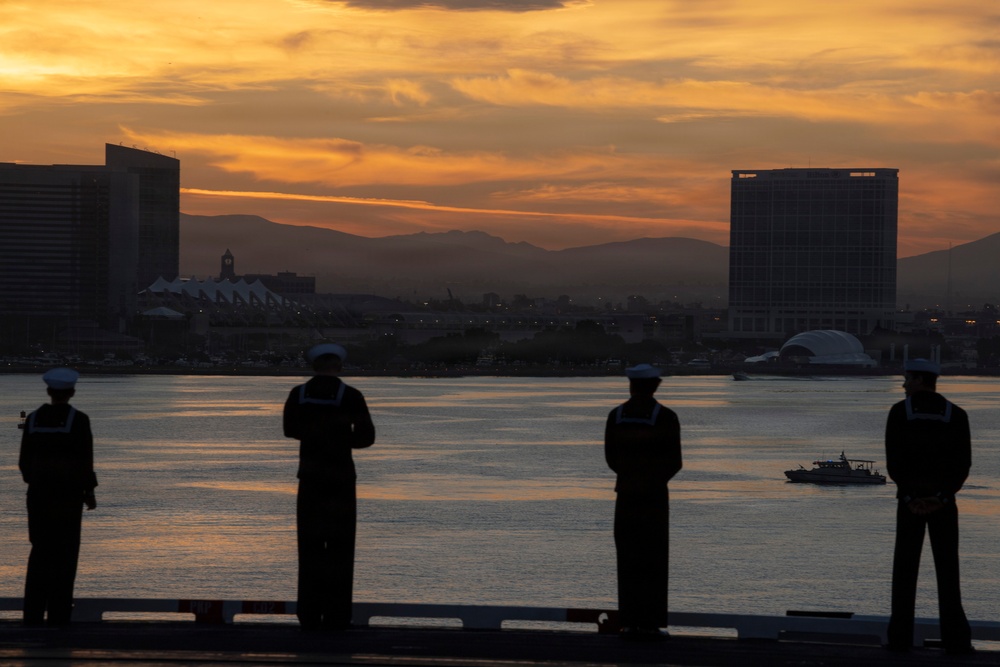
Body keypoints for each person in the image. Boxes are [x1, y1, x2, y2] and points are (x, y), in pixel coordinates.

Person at [884, 358, 974, 655]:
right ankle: (956, 640)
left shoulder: (899, 413)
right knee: (948, 571)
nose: (904, 384)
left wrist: (911, 497)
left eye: (907, 379)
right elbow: (963, 463)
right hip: (944, 505)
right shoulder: (957, 415)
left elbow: (894, 461)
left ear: (920, 380)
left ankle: (899, 639)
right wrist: (942, 496)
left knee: (904, 571)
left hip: (909, 505)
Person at [283, 343, 375, 631]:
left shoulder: (298, 395)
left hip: (309, 478)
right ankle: (337, 616)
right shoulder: (351, 395)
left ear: (313, 367)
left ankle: (309, 615)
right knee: (341, 549)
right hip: (341, 479)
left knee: (309, 549)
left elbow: (289, 430)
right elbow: (366, 437)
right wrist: (338, 441)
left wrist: (315, 439)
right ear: (340, 367)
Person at [604, 363, 682, 641]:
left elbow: (611, 458)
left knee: (627, 559)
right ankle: (651, 622)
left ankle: (629, 621)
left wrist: (630, 478)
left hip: (625, 495)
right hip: (654, 498)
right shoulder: (667, 417)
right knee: (654, 559)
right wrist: (653, 481)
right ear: (655, 385)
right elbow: (675, 461)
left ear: (631, 385)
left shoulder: (616, 416)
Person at [19, 367, 98, 626]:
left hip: (39, 496)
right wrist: (88, 492)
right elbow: (86, 459)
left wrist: (37, 481)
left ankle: (32, 614)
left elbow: (24, 463)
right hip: (67, 497)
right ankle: (59, 614)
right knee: (65, 554)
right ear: (72, 392)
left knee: (40, 552)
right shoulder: (79, 420)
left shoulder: (32, 420)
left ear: (48, 391)